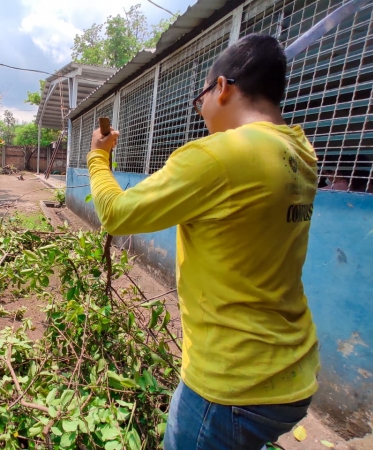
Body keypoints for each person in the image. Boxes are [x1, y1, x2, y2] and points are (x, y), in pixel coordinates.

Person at [86, 34, 320, 450]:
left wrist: (98, 157)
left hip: (230, 386)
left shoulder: (218, 155)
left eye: (200, 100)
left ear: (223, 88)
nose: (201, 113)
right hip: (294, 373)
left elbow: (116, 215)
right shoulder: (301, 153)